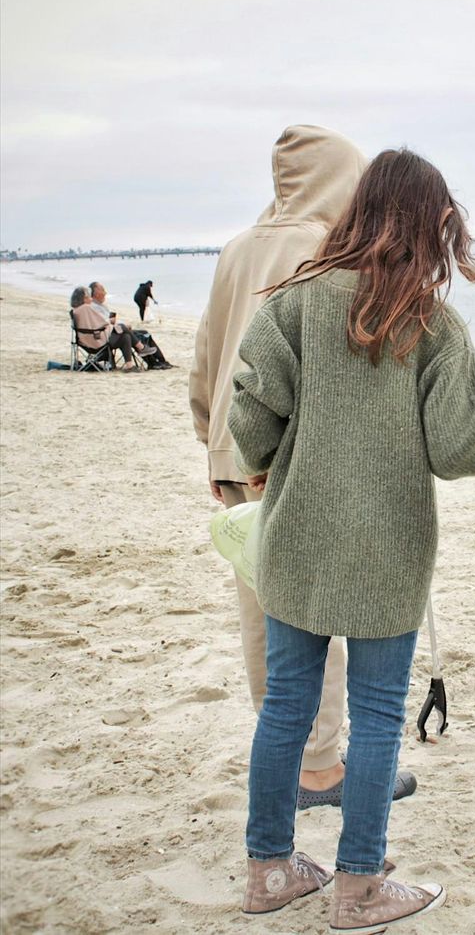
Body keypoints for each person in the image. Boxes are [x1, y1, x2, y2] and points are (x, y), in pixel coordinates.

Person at [228, 147, 475, 926]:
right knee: (378, 717)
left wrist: (287, 460)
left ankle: (269, 872)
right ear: (433, 223)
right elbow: (463, 446)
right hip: (388, 551)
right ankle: (359, 888)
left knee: (286, 707)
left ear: (360, 211)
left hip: (298, 541)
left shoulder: (296, 301)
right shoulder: (431, 324)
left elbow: (247, 419)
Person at [189, 125, 394, 810]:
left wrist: (212, 444)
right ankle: (318, 769)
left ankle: (291, 755)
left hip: (233, 452)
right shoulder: (332, 251)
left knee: (264, 613)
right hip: (294, 459)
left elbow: (207, 356)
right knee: (318, 614)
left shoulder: (237, 248)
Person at [86, 282, 172, 368]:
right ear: (96, 294)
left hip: (110, 333)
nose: (105, 293)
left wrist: (117, 324)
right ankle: (154, 362)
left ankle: (159, 361)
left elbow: (102, 324)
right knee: (139, 336)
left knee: (143, 332)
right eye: (103, 290)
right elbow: (102, 324)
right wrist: (118, 325)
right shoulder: (94, 307)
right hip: (107, 337)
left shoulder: (99, 306)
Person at [70, 285, 152, 371]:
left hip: (85, 341)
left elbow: (94, 324)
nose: (91, 298)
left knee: (125, 336)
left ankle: (130, 365)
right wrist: (111, 322)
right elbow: (103, 322)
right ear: (84, 298)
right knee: (123, 327)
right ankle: (141, 348)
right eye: (89, 296)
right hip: (95, 342)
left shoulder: (76, 310)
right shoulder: (86, 308)